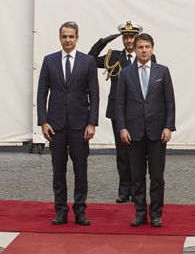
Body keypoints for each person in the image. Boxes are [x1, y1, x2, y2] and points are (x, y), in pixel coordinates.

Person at [36, 21, 99, 226]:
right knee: (58, 169)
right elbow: (42, 92)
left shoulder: (87, 62)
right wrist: (43, 121)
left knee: (81, 169)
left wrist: (92, 123)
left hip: (80, 125)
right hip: (56, 126)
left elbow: (94, 94)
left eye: (71, 36)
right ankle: (61, 210)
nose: (68, 40)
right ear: (60, 37)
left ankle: (80, 210)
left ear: (77, 37)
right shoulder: (49, 61)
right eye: (64, 36)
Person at [116, 33, 176, 228]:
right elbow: (120, 104)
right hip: (134, 133)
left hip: (158, 133)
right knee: (137, 177)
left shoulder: (162, 72)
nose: (143, 50)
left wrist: (168, 126)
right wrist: (122, 128)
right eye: (140, 47)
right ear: (135, 49)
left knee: (157, 176)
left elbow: (170, 102)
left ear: (152, 48)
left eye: (147, 47)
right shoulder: (125, 73)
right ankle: (140, 213)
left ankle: (156, 214)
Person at [88, 21, 144, 203]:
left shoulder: (145, 56)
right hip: (118, 110)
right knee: (122, 153)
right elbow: (89, 60)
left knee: (137, 152)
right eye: (126, 36)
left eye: (132, 36)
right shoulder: (113, 57)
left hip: (137, 111)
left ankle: (137, 191)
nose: (129, 40)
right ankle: (123, 189)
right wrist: (103, 41)